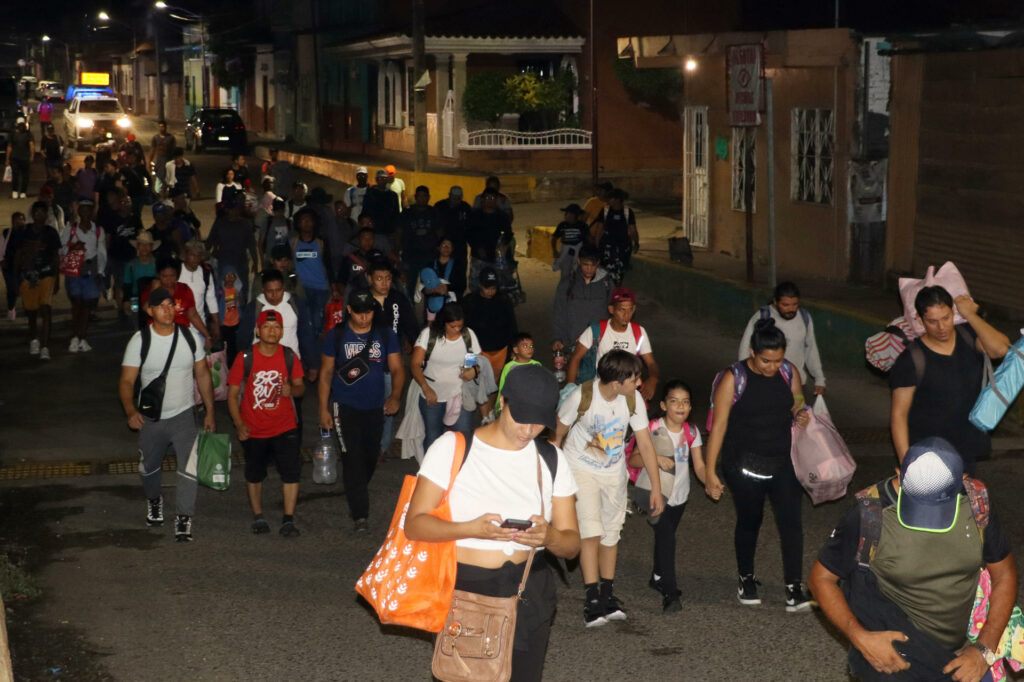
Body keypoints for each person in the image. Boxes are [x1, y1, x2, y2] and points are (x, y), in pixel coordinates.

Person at [405, 364, 580, 681]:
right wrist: (471, 529)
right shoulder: (453, 448)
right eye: (521, 418)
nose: (528, 430)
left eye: (538, 423)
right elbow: (415, 525)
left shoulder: (552, 459)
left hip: (529, 591)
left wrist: (549, 536)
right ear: (503, 402)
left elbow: (571, 545)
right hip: (467, 591)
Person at [809, 437, 1017, 681]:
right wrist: (860, 637)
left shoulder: (977, 504)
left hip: (963, 656)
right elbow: (820, 579)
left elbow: (1005, 575)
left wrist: (984, 650)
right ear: (898, 472)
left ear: (963, 479)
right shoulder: (869, 513)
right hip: (897, 659)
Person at [703, 317, 813, 611]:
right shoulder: (733, 378)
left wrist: (800, 411)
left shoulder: (789, 371)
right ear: (752, 352)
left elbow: (797, 400)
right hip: (743, 462)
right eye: (766, 360)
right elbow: (720, 425)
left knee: (791, 523)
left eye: (778, 360)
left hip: (782, 459)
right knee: (750, 520)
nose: (772, 367)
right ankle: (746, 578)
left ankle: (794, 587)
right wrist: (710, 472)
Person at [554, 350, 664, 627]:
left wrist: (655, 487)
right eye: (635, 379)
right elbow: (556, 436)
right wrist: (550, 479)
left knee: (611, 533)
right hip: (581, 468)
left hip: (614, 473)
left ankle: (607, 593)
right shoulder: (582, 397)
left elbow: (645, 444)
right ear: (616, 382)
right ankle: (592, 599)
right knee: (591, 532)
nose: (639, 384)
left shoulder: (632, 399)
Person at [118, 288, 215, 542]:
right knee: (148, 468)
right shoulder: (140, 341)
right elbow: (127, 382)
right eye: (161, 306)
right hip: (151, 418)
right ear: (149, 311)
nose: (167, 309)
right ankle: (154, 500)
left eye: (171, 305)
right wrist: (130, 410)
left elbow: (203, 374)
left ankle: (184, 518)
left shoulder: (189, 336)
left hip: (184, 415)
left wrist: (210, 412)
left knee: (189, 467)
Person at [890, 286, 1009, 476]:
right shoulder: (911, 360)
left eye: (946, 318)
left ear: (953, 313)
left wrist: (971, 315)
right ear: (920, 320)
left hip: (966, 449)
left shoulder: (968, 336)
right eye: (933, 321)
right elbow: (899, 416)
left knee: (961, 505)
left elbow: (1001, 349)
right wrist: (907, 465)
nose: (942, 327)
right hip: (928, 454)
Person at [318, 290, 404, 533]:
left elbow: (397, 369)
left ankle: (355, 490)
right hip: (344, 407)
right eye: (359, 312)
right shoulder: (336, 336)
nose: (364, 317)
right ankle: (360, 514)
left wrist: (395, 395)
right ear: (349, 310)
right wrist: (323, 409)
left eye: (368, 312)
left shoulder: (385, 335)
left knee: (369, 457)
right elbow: (325, 374)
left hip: (375, 407)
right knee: (352, 458)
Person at [626, 380, 706, 614]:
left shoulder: (692, 432)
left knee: (665, 538)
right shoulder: (652, 429)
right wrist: (656, 459)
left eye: (686, 402)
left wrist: (710, 482)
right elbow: (633, 460)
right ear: (663, 405)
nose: (680, 406)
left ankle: (657, 576)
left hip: (680, 496)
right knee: (668, 539)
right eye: (674, 401)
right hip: (656, 494)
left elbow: (699, 466)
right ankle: (670, 593)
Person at [228, 309, 306, 538]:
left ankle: (288, 519)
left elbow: (301, 387)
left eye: (276, 327)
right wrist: (239, 424)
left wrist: (293, 389)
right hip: (254, 428)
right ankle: (258, 516)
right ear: (257, 331)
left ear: (282, 331)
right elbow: (233, 395)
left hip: (285, 426)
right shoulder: (245, 358)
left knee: (291, 473)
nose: (272, 331)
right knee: (254, 474)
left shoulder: (289, 356)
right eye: (267, 327)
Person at [565, 285, 659, 401]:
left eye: (630, 309)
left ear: (634, 309)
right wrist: (570, 389)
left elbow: (651, 363)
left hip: (627, 390)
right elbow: (576, 358)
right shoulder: (596, 330)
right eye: (621, 310)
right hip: (600, 389)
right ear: (611, 309)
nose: (626, 315)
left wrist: (653, 379)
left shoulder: (639, 332)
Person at [410, 303, 483, 450]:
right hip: (432, 394)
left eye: (460, 326)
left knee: (462, 436)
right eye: (452, 326)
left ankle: (458, 469)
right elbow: (415, 364)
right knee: (433, 437)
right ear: (443, 323)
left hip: (459, 393)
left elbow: (476, 359)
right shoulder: (429, 335)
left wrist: (472, 370)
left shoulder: (468, 335)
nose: (457, 330)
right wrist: (426, 388)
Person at [738, 281, 827, 397]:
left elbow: (811, 349)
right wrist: (745, 379)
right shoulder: (762, 317)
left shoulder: (804, 317)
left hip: (797, 384)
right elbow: (745, 349)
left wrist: (819, 378)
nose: (791, 309)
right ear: (775, 302)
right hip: (767, 384)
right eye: (785, 305)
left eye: (795, 304)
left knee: (798, 414)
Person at [9, 202, 61, 360]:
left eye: (42, 213)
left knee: (45, 308)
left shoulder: (51, 233)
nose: (39, 216)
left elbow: (55, 257)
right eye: (36, 213)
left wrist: (56, 277)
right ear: (33, 215)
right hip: (28, 275)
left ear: (46, 216)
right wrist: (15, 278)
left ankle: (45, 346)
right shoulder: (23, 232)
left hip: (46, 274)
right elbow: (17, 255)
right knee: (31, 311)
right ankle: (34, 339)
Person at [61, 200, 106, 353]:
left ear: (92, 212)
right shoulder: (71, 229)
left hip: (90, 270)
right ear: (79, 212)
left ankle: (82, 337)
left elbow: (101, 252)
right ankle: (74, 336)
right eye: (83, 210)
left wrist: (100, 271)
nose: (86, 213)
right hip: (75, 270)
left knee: (88, 305)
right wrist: (73, 246)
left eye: (89, 210)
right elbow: (61, 248)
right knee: (77, 303)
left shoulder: (98, 230)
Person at [551, 245, 614, 355]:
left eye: (593, 265)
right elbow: (558, 311)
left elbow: (614, 313)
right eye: (585, 264)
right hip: (572, 343)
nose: (589, 269)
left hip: (599, 344)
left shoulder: (607, 284)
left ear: (598, 263)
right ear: (579, 261)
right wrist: (558, 338)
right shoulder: (568, 284)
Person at [141, 258, 214, 348]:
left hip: (183, 335)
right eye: (164, 276)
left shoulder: (184, 289)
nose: (169, 280)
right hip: (159, 337)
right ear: (159, 275)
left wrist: (207, 336)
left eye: (172, 276)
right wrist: (154, 290)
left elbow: (193, 315)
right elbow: (146, 308)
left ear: (177, 275)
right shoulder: (151, 290)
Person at [463, 266, 518, 382]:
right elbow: (464, 330)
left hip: (500, 351)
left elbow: (512, 326)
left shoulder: (504, 300)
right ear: (480, 285)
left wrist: (514, 348)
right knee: (474, 381)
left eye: (493, 288)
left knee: (494, 382)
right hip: (477, 351)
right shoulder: (470, 302)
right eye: (487, 287)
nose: (491, 291)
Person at [206, 194, 258, 300]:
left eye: (235, 209)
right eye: (230, 209)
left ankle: (242, 312)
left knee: (242, 289)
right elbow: (210, 241)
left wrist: (256, 262)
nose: (233, 212)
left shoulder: (246, 224)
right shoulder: (220, 222)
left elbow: (252, 245)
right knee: (225, 290)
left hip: (241, 262)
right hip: (224, 261)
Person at [290, 208, 331, 336]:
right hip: (301, 288)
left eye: (309, 220)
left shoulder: (321, 243)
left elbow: (328, 264)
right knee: (304, 319)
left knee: (318, 320)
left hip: (320, 288)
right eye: (303, 220)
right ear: (298, 224)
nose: (306, 223)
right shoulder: (293, 243)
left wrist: (333, 286)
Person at [397, 185, 440, 299]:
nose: (422, 198)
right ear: (415, 197)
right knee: (409, 286)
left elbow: (440, 231)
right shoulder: (407, 213)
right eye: (419, 196)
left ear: (428, 197)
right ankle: (409, 311)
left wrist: (438, 246)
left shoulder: (434, 212)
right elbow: (399, 232)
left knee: (429, 286)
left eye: (424, 196)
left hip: (429, 255)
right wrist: (398, 249)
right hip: (410, 255)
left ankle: (428, 314)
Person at [466, 188, 513, 290]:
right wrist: (478, 248)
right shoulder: (474, 216)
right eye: (487, 198)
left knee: (498, 286)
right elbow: (469, 234)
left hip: (498, 258)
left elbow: (508, 234)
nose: (489, 200)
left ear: (496, 200)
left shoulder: (502, 216)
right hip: (479, 257)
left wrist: (502, 246)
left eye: (492, 198)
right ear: (482, 199)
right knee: (476, 287)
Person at [103, 192, 142, 316]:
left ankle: (132, 307)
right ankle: (121, 310)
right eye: (123, 202)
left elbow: (141, 234)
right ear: (119, 204)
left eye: (128, 202)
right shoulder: (113, 219)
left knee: (133, 283)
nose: (126, 204)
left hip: (132, 255)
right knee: (120, 283)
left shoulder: (135, 218)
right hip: (117, 256)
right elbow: (108, 238)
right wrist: (107, 255)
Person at [590, 188, 638, 285]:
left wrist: (636, 242)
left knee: (619, 271)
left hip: (622, 246)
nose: (608, 201)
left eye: (610, 199)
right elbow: (599, 229)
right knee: (607, 270)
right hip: (608, 246)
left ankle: (615, 291)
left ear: (617, 200)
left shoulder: (627, 212)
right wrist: (597, 245)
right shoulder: (605, 211)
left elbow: (632, 229)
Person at [434, 185, 471, 299]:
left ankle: (458, 300)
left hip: (459, 248)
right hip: (443, 248)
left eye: (458, 198)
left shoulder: (465, 208)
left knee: (459, 276)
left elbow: (470, 227)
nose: (455, 200)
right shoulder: (439, 206)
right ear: (449, 195)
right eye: (453, 197)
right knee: (440, 274)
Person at [179, 240, 220, 344]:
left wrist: (216, 324)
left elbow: (211, 299)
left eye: (198, 255)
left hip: (200, 326)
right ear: (186, 254)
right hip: (179, 326)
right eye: (192, 255)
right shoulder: (176, 271)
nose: (196, 259)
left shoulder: (206, 273)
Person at [495, 332, 542, 415]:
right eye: (525, 346)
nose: (529, 348)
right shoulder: (509, 367)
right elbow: (503, 387)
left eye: (531, 346)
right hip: (514, 405)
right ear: (516, 349)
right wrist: (499, 407)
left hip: (532, 404)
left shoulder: (536, 365)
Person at [419, 237, 457, 323]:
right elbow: (423, 285)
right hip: (432, 301)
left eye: (449, 245)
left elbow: (461, 285)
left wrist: (446, 288)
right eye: (444, 245)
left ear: (452, 249)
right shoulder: (430, 264)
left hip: (449, 304)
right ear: (438, 247)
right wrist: (430, 290)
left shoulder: (457, 265)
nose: (446, 247)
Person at [123, 231, 158, 319]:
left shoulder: (158, 264)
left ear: (152, 247)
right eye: (142, 244)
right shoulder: (131, 265)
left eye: (147, 245)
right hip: (135, 300)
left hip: (154, 300)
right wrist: (126, 300)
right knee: (137, 324)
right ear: (137, 246)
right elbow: (127, 285)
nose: (144, 247)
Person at [361, 170, 400, 247]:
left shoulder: (393, 195)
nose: (382, 181)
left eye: (384, 178)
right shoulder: (370, 194)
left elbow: (396, 214)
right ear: (376, 180)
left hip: (389, 231)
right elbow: (365, 212)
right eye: (380, 178)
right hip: (375, 231)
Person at [551, 203, 587, 278]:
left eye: (568, 213)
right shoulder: (562, 225)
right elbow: (554, 238)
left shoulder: (582, 226)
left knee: (578, 274)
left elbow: (588, 238)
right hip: (566, 252)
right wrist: (554, 250)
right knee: (565, 274)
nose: (566, 215)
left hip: (578, 252)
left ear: (575, 215)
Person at [1, 211, 26, 320]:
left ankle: (28, 310)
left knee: (25, 288)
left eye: (20, 219)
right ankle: (11, 309)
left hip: (24, 266)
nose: (18, 222)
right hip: (9, 266)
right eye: (15, 220)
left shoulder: (29, 233)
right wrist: (2, 260)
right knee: (11, 289)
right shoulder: (7, 233)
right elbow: (1, 247)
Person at [217, 265, 242, 361]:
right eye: (227, 276)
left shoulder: (238, 290)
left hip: (236, 323)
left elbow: (241, 305)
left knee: (235, 347)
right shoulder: (220, 291)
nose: (230, 278)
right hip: (225, 324)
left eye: (232, 275)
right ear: (223, 277)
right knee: (226, 349)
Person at [5, 119, 35, 199]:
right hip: (24, 158)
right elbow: (31, 145)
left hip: (15, 158)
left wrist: (7, 159)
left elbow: (9, 147)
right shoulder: (28, 134)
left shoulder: (13, 134)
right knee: (25, 176)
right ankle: (22, 192)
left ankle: (15, 192)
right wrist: (32, 156)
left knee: (16, 175)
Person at [258, 198, 293, 266]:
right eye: (277, 211)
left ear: (284, 210)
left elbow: (293, 243)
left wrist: (291, 260)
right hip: (269, 260)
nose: (279, 213)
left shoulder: (289, 223)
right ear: (273, 210)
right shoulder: (267, 222)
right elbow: (260, 243)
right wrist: (262, 261)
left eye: (280, 211)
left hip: (284, 261)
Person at [148, 121, 176, 193]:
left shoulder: (171, 138)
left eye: (163, 127)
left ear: (166, 128)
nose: (162, 128)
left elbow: (174, 150)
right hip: (160, 162)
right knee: (159, 178)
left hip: (168, 161)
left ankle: (168, 193)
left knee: (168, 179)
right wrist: (149, 162)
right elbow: (153, 150)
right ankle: (158, 194)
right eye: (160, 127)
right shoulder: (155, 138)